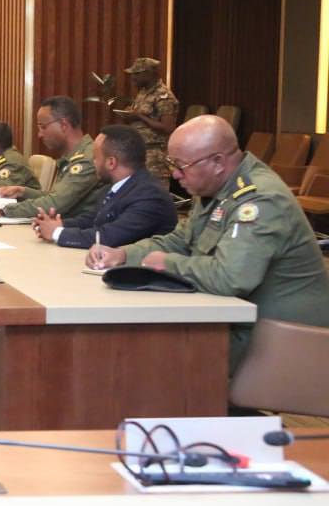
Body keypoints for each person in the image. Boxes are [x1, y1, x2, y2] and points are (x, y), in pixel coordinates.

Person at [88, 115, 329, 368]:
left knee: (149, 358)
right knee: (137, 347)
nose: (175, 174)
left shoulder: (259, 200)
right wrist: (124, 254)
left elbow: (230, 277)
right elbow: (181, 240)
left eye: (182, 165)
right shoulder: (214, 188)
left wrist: (166, 264)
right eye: (172, 163)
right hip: (237, 321)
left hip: (282, 340)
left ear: (218, 162)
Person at [32, 125, 177, 249]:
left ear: (111, 163)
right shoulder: (115, 186)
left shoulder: (149, 196)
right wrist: (57, 224)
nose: (93, 162)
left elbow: (109, 237)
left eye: (95, 157)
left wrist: (56, 233)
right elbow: (92, 220)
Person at [0, 96, 103, 220]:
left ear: (63, 125)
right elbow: (56, 196)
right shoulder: (73, 156)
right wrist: (22, 191)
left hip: (76, 229)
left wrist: (3, 212)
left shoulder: (86, 159)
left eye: (43, 127)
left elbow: (55, 203)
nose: (39, 134)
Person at [117, 57, 179, 188]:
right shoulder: (143, 92)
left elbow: (168, 127)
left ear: (149, 73)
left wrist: (140, 116)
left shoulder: (163, 96)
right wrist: (130, 114)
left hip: (155, 155)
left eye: (137, 74)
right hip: (141, 152)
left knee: (155, 193)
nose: (133, 77)